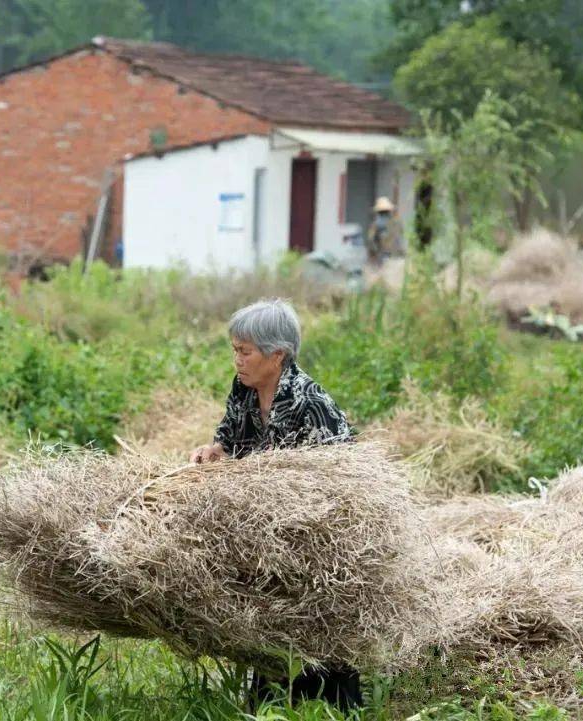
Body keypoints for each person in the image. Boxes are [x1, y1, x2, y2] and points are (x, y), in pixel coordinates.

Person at [188, 299, 361, 711]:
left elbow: (338, 485)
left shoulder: (311, 404)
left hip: (317, 537)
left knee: (316, 623)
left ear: (277, 354)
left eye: (245, 351)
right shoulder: (244, 392)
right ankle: (270, 702)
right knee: (267, 619)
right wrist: (213, 452)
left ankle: (335, 705)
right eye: (234, 350)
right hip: (264, 530)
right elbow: (230, 440)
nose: (237, 360)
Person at [366, 196, 401, 266]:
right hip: (396, 257)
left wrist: (374, 254)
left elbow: (370, 240)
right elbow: (399, 239)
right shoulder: (396, 223)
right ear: (389, 211)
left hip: (382, 256)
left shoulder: (375, 224)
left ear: (378, 212)